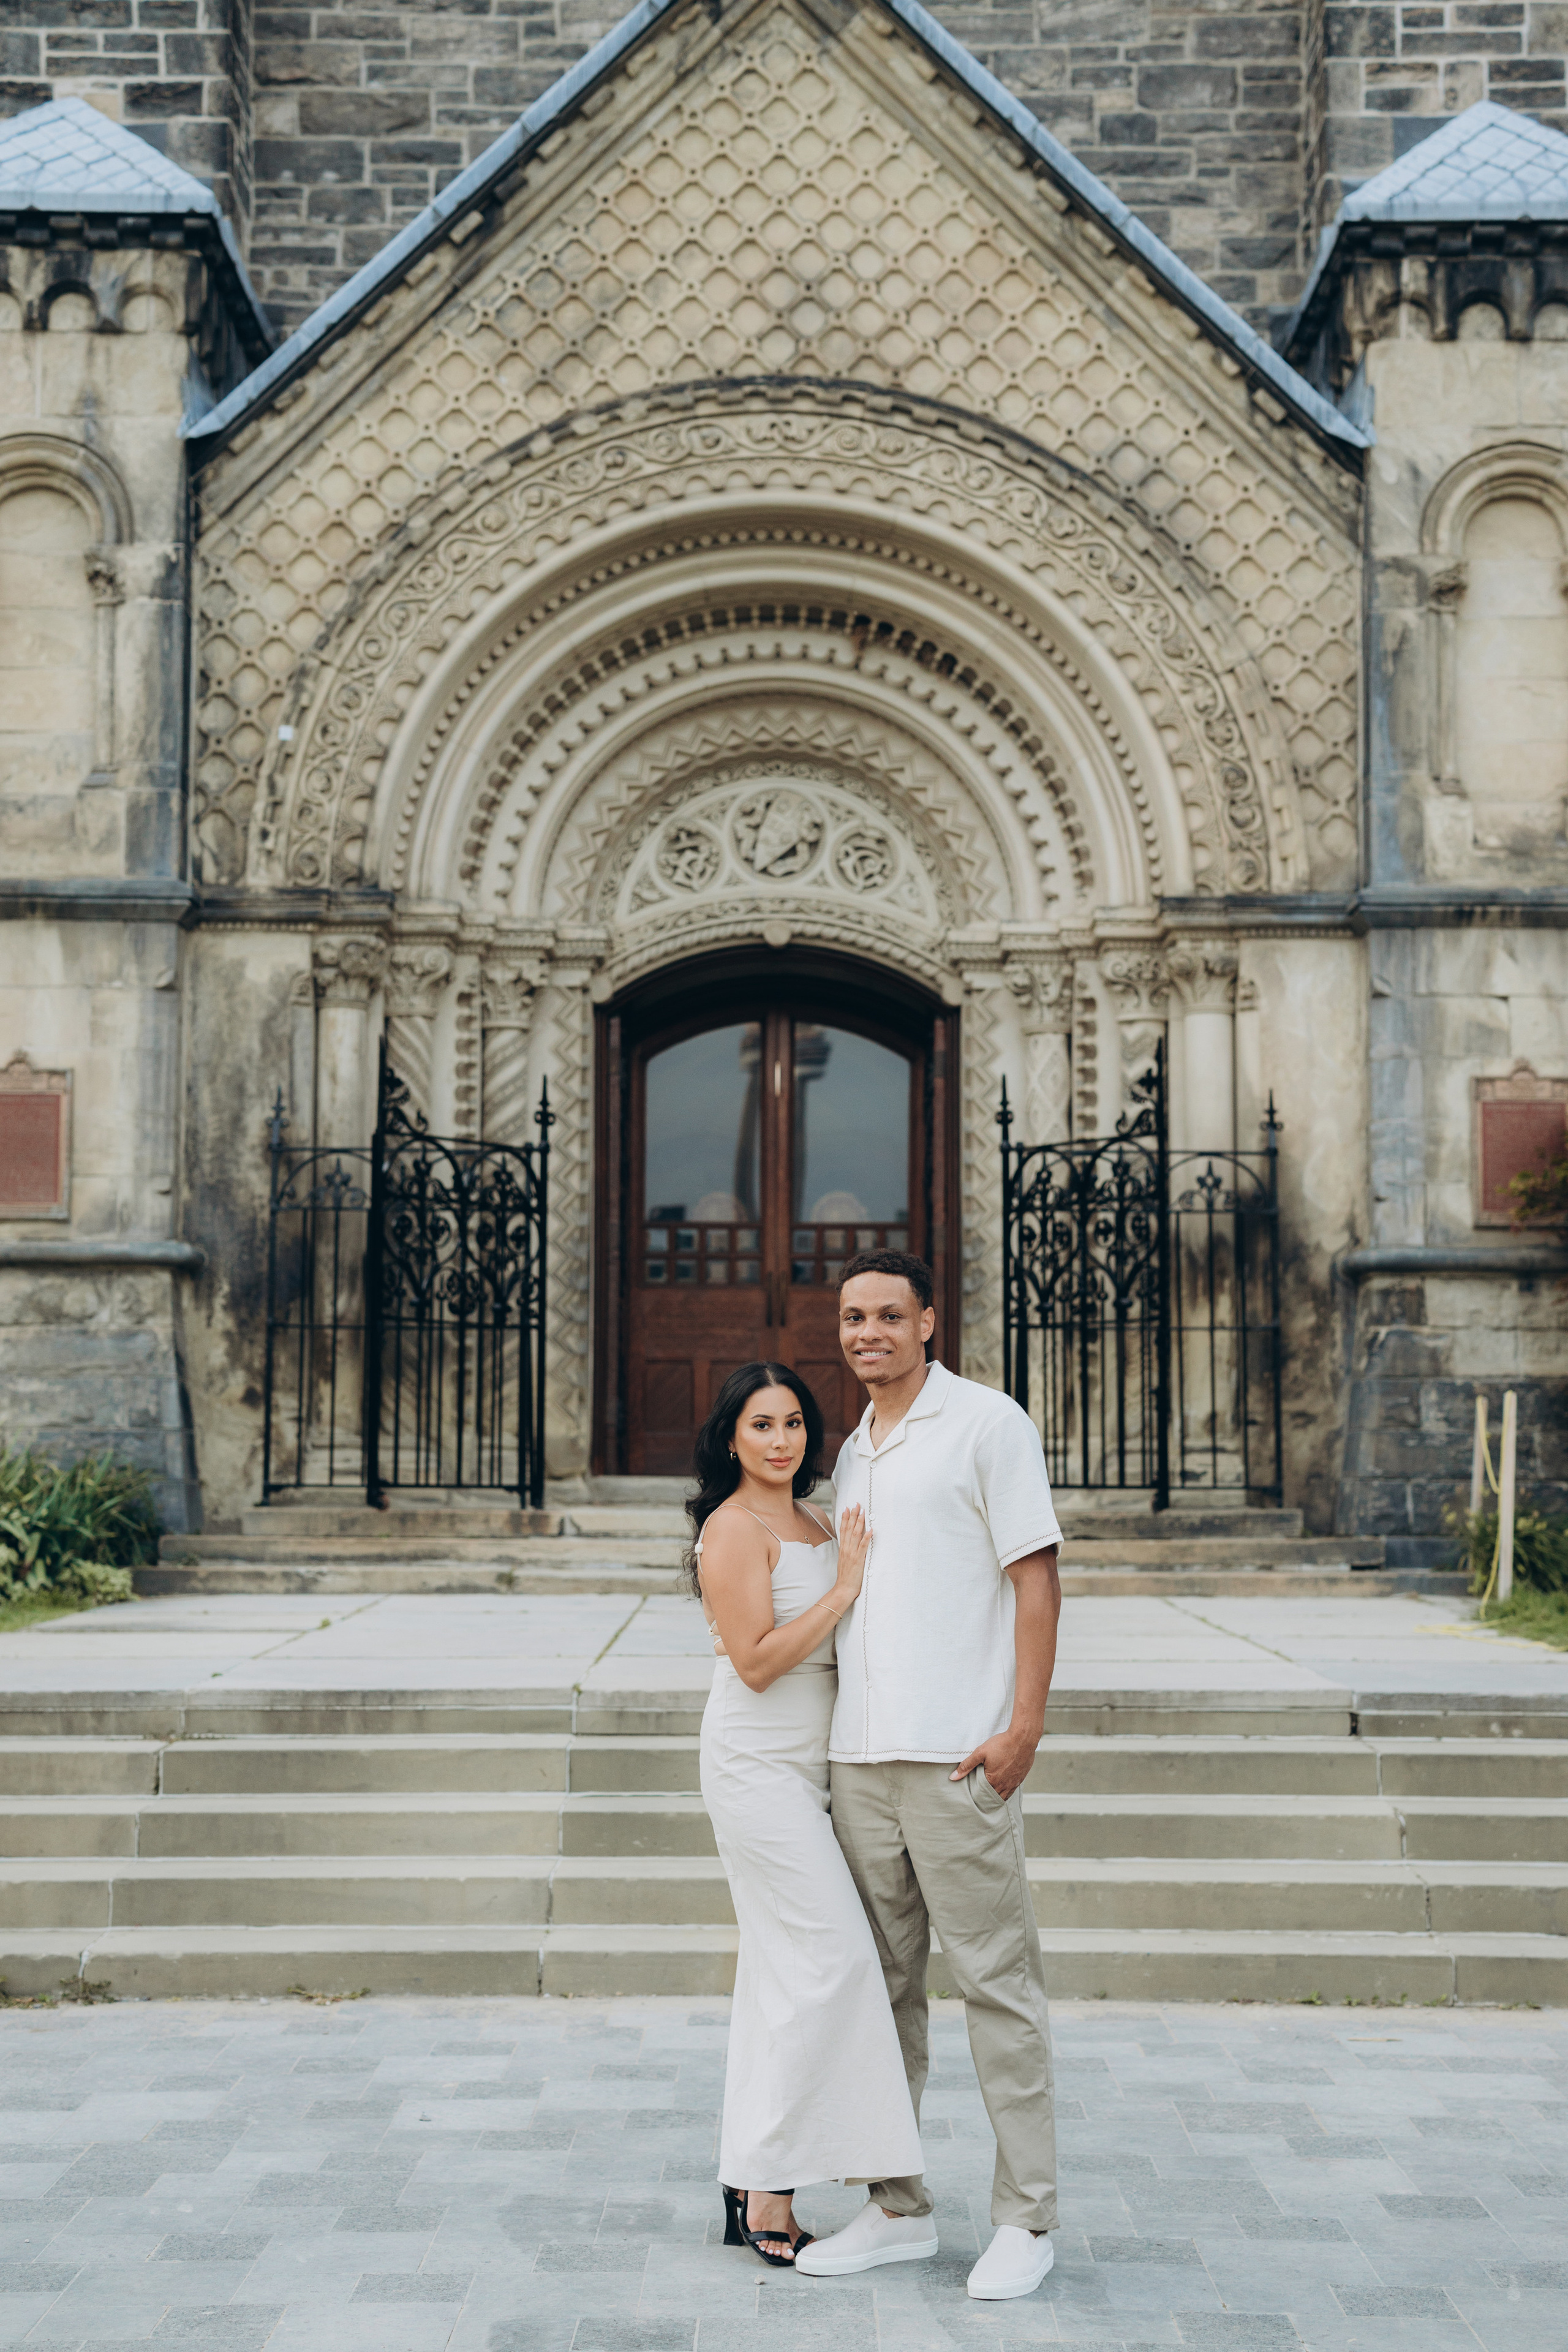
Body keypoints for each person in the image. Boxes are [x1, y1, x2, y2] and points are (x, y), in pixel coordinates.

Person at [795, 1250, 1063, 2303]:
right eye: (853, 1318)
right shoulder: (852, 1450)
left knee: (998, 1987)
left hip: (959, 1757)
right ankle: (898, 2205)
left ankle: (1025, 2218)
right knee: (883, 1998)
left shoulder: (990, 1424)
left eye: (888, 1316)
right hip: (862, 1763)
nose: (868, 1333)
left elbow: (1034, 1579)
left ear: (928, 1323)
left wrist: (1023, 1727)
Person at [690, 1360, 924, 2269]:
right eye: (761, 1426)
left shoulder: (822, 1521)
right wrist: (843, 1589)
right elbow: (755, 1662)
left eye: (793, 1423)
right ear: (731, 1438)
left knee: (781, 1971)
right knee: (832, 1961)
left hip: (816, 1769)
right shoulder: (733, 1529)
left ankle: (747, 2171)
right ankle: (771, 2191)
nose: (781, 1440)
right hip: (754, 1766)